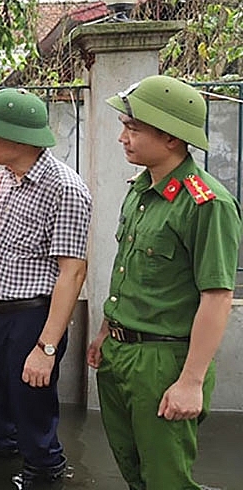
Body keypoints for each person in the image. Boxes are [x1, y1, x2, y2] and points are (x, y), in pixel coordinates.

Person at [86, 75, 241, 489]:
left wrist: (190, 382)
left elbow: (217, 296)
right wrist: (105, 332)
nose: (122, 137)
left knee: (166, 478)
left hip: (163, 361)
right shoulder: (141, 191)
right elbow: (127, 271)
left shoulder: (207, 204)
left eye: (133, 128)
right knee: (134, 469)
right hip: (121, 353)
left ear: (172, 137)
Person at [0, 88, 91, 489]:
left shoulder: (65, 189)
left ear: (20, 139)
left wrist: (46, 348)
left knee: (32, 415)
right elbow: (1, 247)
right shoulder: (6, 176)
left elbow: (72, 273)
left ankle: (44, 472)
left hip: (32, 319)